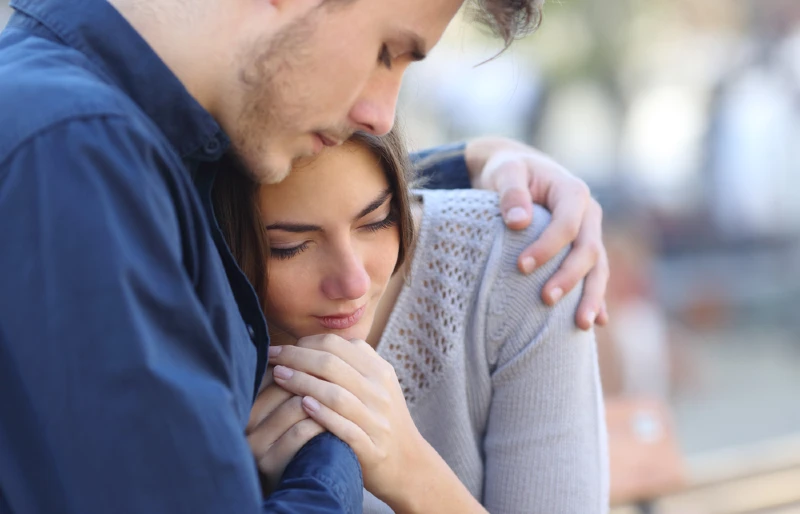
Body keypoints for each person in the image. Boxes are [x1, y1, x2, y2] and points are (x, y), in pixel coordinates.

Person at [0, 0, 608, 512]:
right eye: (386, 52)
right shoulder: (75, 159)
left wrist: (468, 164)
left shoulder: (108, 142)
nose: (380, 114)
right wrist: (334, 445)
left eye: (377, 218)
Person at [228, 128, 608, 513]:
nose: (354, 283)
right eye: (289, 248)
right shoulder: (205, 338)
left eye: (377, 220)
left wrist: (412, 474)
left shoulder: (516, 265)